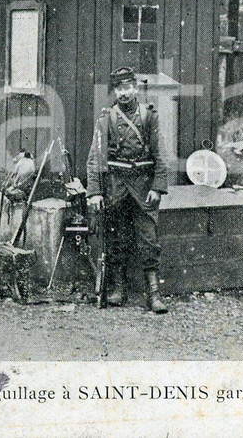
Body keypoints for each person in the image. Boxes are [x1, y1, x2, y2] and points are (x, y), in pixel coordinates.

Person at [86, 66, 169, 314]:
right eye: (119, 89)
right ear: (115, 91)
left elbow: (160, 154)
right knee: (116, 238)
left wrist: (157, 186)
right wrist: (95, 192)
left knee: (148, 239)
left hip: (144, 187)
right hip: (116, 187)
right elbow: (95, 157)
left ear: (136, 88)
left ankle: (153, 294)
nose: (124, 93)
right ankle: (118, 289)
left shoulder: (149, 116)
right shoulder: (106, 118)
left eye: (128, 88)